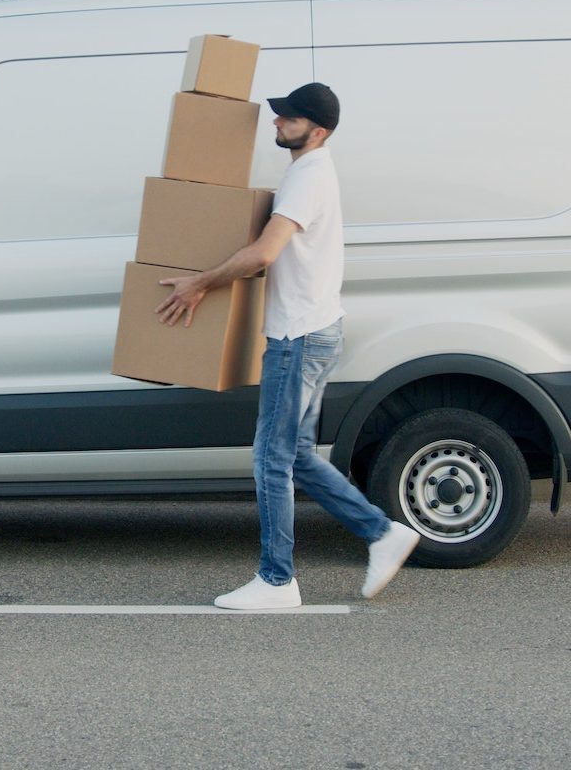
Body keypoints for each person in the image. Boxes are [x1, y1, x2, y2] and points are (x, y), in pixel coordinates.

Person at [155, 82, 419, 609]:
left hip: (298, 338)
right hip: (317, 329)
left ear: (316, 130)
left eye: (288, 118)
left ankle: (277, 580)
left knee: (271, 458)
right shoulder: (310, 172)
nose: (276, 123)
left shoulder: (308, 176)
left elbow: (263, 254)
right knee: (294, 452)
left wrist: (199, 283)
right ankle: (383, 532)